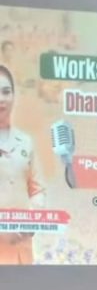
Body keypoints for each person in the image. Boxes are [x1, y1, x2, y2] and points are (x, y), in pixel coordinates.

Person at [0, 65, 46, 266]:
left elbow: (38, 190)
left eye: (6, 92)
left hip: (20, 249)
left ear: (14, 96)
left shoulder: (25, 142)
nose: (1, 99)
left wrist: (30, 223)